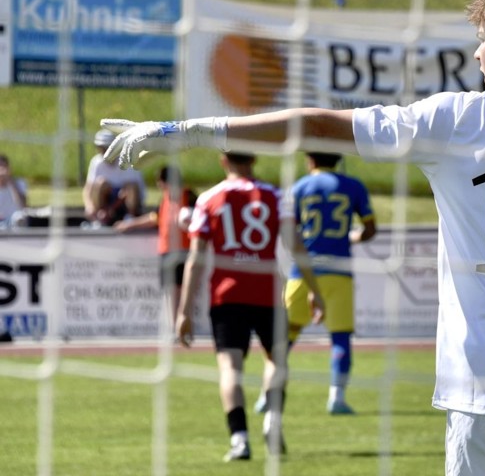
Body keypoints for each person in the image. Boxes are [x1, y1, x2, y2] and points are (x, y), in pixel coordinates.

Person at [99, 0, 485, 474]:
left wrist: (194, 131)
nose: (477, 57)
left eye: (482, 44)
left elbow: (317, 123)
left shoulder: (455, 119)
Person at [175, 151, 325, 462]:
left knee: (230, 369)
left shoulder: (209, 199)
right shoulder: (275, 197)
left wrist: (184, 311)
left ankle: (239, 439)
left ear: (222, 160)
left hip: (226, 296)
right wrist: (315, 291)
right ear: (254, 159)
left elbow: (195, 260)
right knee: (276, 360)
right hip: (268, 293)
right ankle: (272, 417)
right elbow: (297, 246)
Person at [256, 151, 377, 416]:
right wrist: (349, 239)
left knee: (284, 336)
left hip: (304, 271)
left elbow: (289, 230)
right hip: (339, 270)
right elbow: (369, 229)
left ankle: (268, 393)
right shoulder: (353, 186)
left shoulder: (298, 187)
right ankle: (337, 396)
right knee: (340, 336)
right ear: (337, 159)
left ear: (310, 160)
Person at [114, 166, 197, 320]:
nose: (159, 186)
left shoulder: (189, 196)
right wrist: (130, 224)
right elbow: (154, 218)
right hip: (167, 251)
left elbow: (200, 217)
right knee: (170, 291)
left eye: (160, 182)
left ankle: (185, 322)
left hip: (185, 250)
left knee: (185, 290)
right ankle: (174, 326)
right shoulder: (165, 199)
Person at [83, 129, 146, 227]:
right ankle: (98, 220)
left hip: (124, 202)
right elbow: (88, 188)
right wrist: (89, 207)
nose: (103, 152)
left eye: (106, 148)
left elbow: (132, 192)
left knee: (130, 186)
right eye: (101, 148)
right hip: (108, 202)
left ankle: (130, 217)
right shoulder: (96, 162)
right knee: (100, 183)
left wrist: (111, 209)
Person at [0, 154, 28, 228]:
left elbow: (23, 205)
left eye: (4, 166)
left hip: (13, 221)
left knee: (19, 217)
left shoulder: (19, 183)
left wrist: (11, 183)